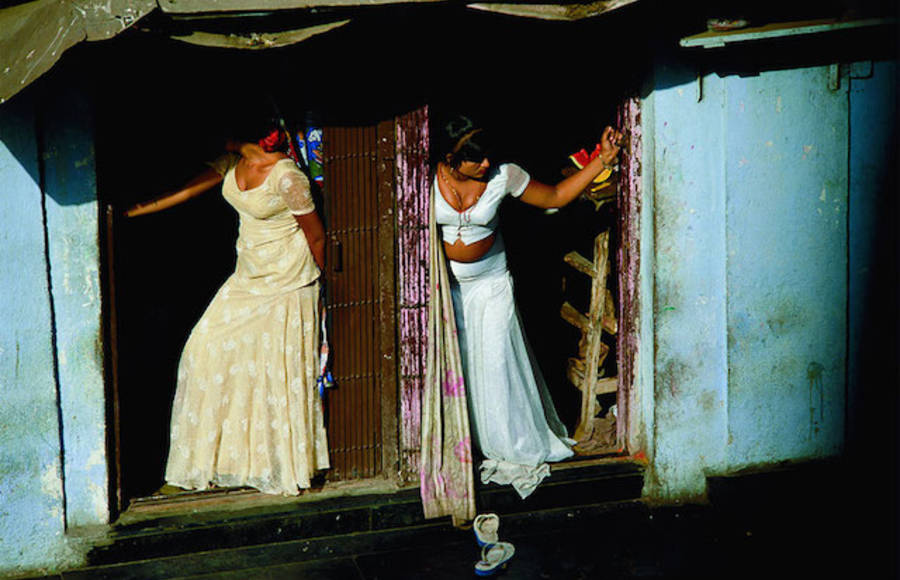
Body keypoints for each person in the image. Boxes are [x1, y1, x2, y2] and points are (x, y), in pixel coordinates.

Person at [125, 124, 330, 496]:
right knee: (202, 350)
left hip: (287, 279)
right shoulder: (232, 163)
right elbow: (184, 191)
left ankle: (273, 464)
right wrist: (131, 213)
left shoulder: (288, 178)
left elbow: (315, 235)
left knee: (273, 369)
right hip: (248, 277)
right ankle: (217, 462)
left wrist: (325, 287)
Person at [429, 113, 622, 499]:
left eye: (488, 155)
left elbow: (556, 196)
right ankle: (470, 447)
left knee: (497, 364)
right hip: (448, 290)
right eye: (476, 159)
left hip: (492, 285)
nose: (486, 163)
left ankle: (510, 445)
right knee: (461, 368)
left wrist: (602, 160)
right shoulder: (426, 179)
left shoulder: (504, 175)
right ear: (451, 159)